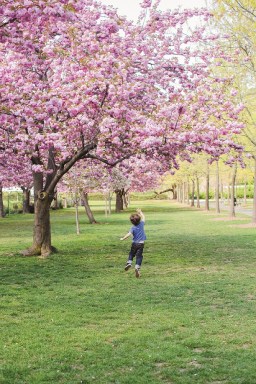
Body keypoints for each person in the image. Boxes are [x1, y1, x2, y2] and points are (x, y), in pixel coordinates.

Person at [120, 208, 146, 278]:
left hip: (134, 244)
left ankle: (129, 262)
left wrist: (123, 238)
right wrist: (140, 212)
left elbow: (128, 234)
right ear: (139, 220)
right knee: (139, 256)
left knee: (131, 253)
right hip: (141, 244)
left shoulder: (133, 228)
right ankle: (137, 267)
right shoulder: (141, 224)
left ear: (132, 222)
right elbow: (144, 217)